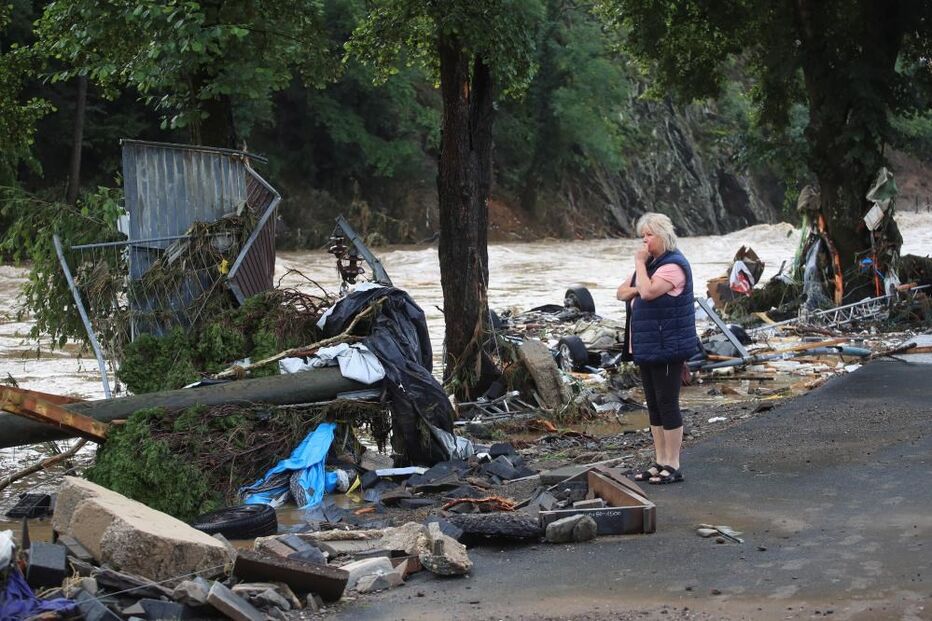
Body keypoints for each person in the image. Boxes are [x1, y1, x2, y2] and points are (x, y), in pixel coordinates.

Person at [616, 212, 699, 484]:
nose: (644, 242)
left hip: (667, 345)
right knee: (653, 404)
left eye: (649, 235)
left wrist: (640, 268)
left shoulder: (673, 266)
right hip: (648, 345)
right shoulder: (651, 266)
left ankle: (673, 463)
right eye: (642, 236)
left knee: (667, 402)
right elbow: (621, 292)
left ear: (663, 235)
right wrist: (641, 282)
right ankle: (659, 460)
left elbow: (649, 292)